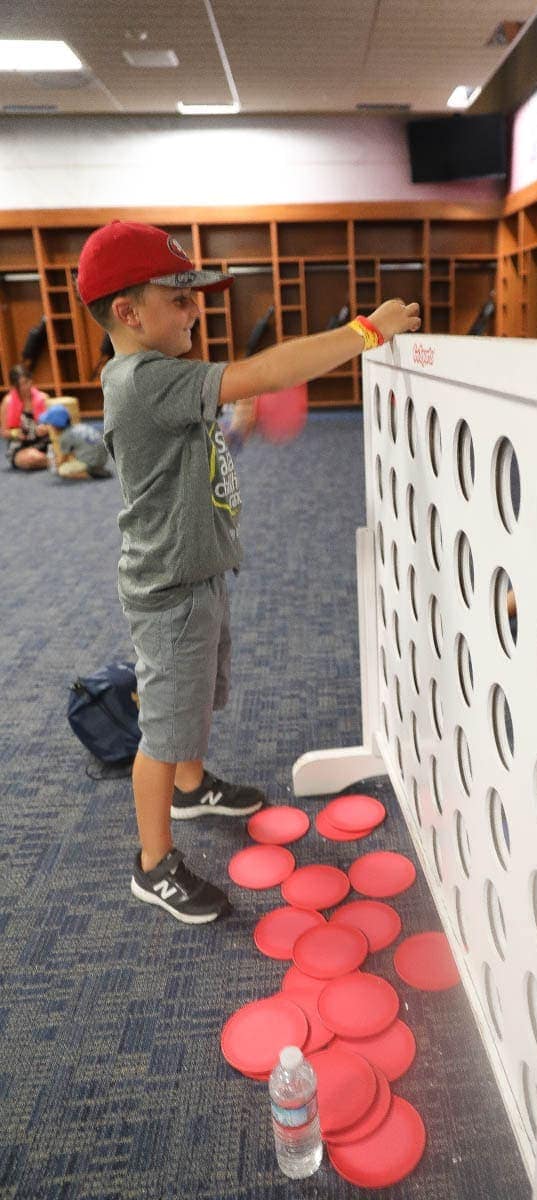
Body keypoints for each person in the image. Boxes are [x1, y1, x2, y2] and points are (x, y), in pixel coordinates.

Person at [77, 219, 421, 924]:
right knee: (164, 728)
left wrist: (237, 428)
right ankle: (154, 864)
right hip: (171, 590)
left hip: (199, 573)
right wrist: (365, 332)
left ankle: (193, 785)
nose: (195, 308)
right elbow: (266, 370)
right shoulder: (145, 379)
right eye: (180, 297)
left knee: (196, 701)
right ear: (128, 312)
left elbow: (190, 452)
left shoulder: (158, 383)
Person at [39, 404, 111, 479]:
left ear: (55, 426)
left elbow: (63, 459)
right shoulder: (78, 426)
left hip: (91, 461)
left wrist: (56, 466)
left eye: (50, 425)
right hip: (103, 459)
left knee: (62, 471)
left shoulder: (65, 437)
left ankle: (91, 474)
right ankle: (95, 468)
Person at [1, 364, 50, 471]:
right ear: (14, 387)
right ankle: (54, 461)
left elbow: (55, 426)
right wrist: (15, 433)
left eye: (27, 382)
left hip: (44, 441)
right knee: (31, 459)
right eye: (21, 385)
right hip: (21, 446)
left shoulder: (43, 398)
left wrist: (46, 428)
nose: (26, 387)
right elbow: (3, 432)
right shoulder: (7, 402)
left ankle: (52, 460)